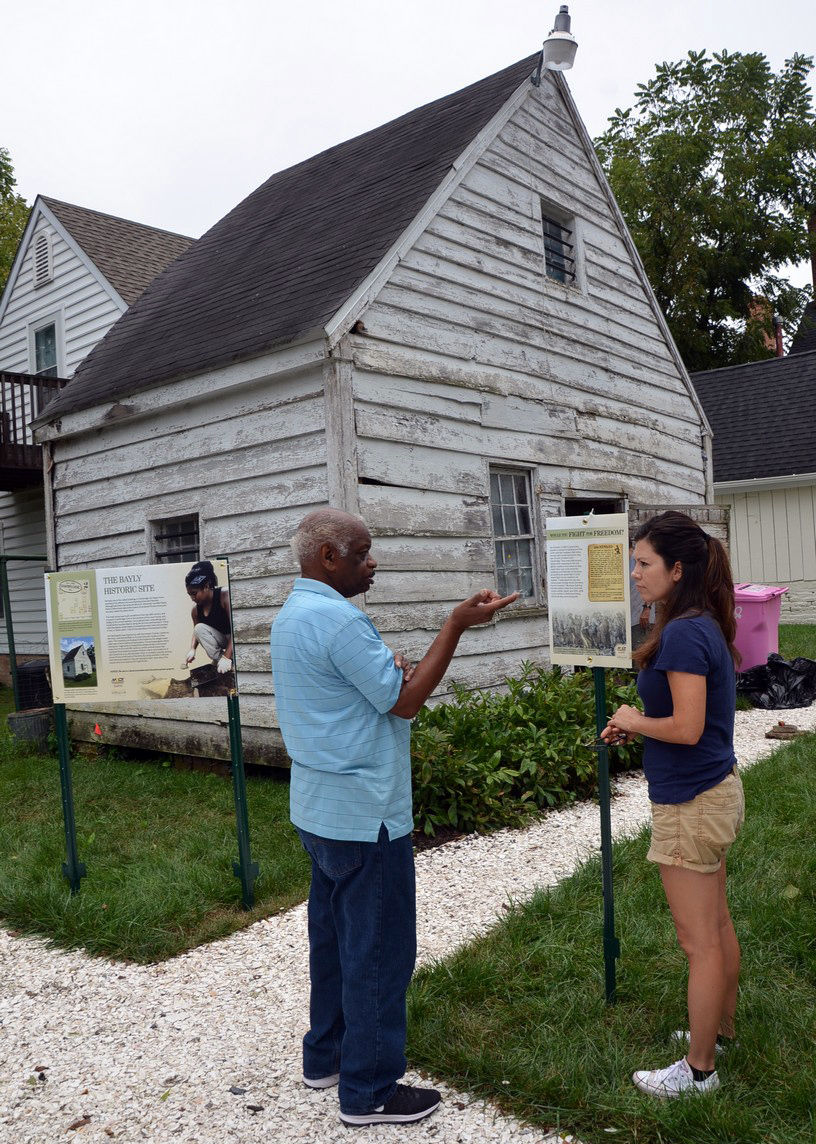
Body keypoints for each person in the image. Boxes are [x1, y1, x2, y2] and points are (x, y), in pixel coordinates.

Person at [269, 508, 518, 1127]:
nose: (372, 561)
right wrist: (455, 625)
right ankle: (370, 1089)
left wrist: (390, 676)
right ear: (328, 557)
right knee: (378, 950)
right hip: (366, 816)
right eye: (362, 552)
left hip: (319, 810)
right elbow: (404, 703)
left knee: (331, 943)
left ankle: (324, 1058)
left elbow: (354, 695)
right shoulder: (339, 621)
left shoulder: (291, 615)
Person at [602, 511, 744, 1099]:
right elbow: (691, 721)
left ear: (677, 568)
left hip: (691, 802)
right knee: (717, 924)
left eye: (643, 563)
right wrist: (639, 727)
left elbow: (686, 727)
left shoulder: (685, 631)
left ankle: (700, 1068)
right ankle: (720, 1031)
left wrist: (636, 718)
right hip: (714, 791)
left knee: (698, 941)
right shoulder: (698, 622)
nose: (634, 573)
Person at [183, 561, 233, 674]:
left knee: (228, 652)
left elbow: (237, 631)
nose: (192, 598)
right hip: (221, 640)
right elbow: (197, 631)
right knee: (199, 628)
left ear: (206, 586)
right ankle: (223, 662)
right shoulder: (195, 610)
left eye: (194, 593)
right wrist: (192, 649)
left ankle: (226, 660)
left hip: (234, 639)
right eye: (189, 594)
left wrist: (227, 657)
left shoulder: (224, 596)